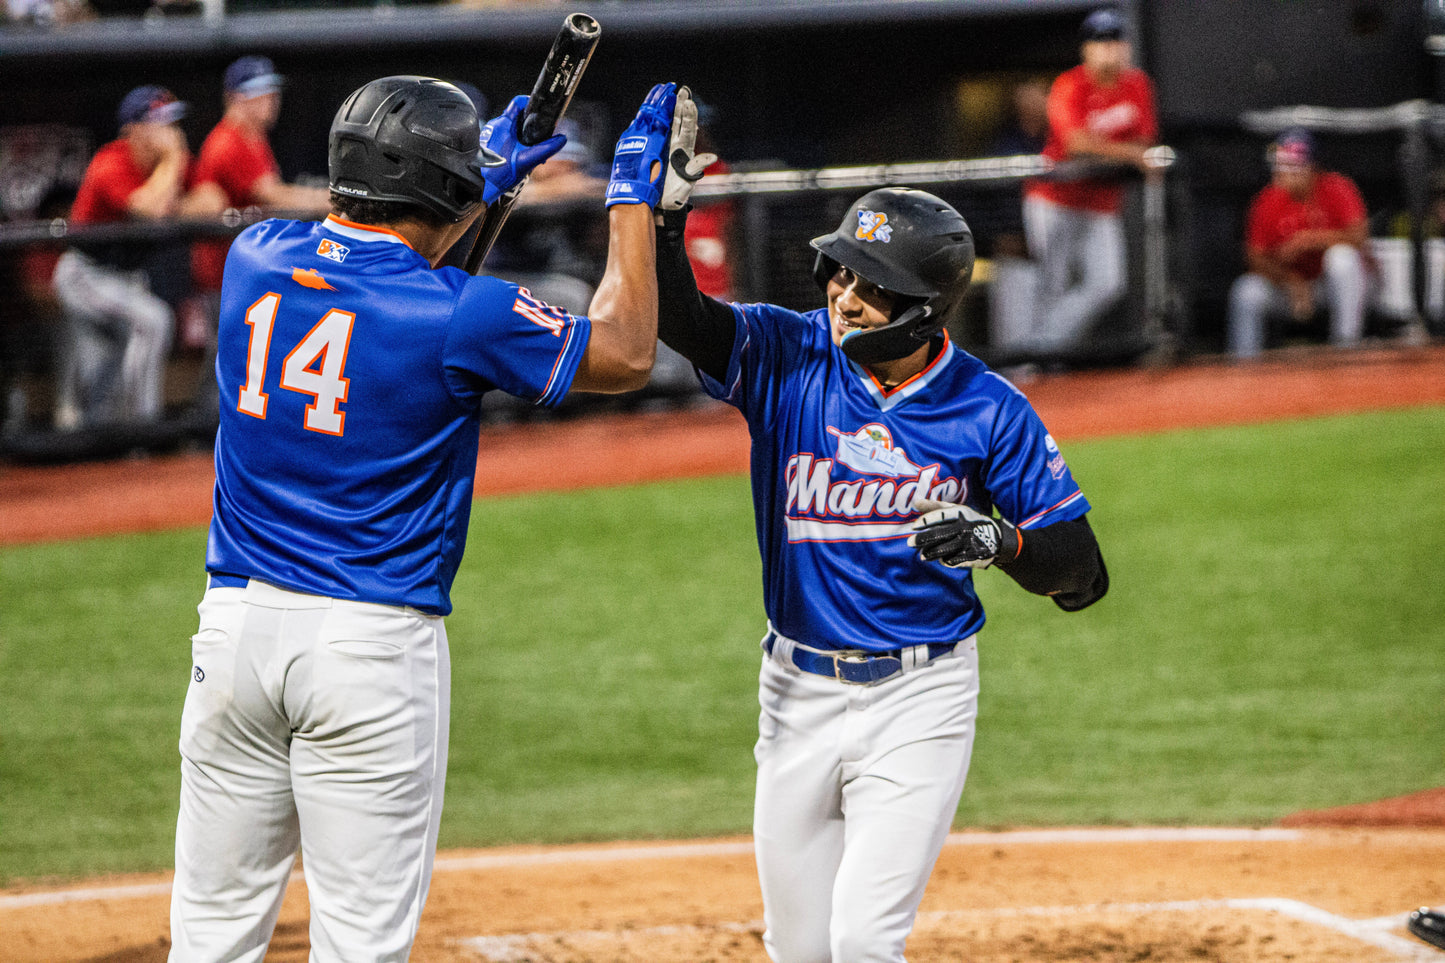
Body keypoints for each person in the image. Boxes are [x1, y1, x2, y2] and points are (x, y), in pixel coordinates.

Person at [167, 76, 678, 961]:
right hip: (368, 650)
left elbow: (389, 270)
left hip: (233, 638)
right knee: (362, 943)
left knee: (209, 936)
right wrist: (631, 202)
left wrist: (474, 187)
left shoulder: (258, 254)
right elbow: (627, 353)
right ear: (444, 193)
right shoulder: (459, 316)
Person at [652, 95, 1109, 962]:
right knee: (800, 948)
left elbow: (1081, 575)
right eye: (840, 273)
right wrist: (666, 222)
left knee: (863, 940)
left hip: (919, 698)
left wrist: (999, 542)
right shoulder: (787, 354)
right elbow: (686, 322)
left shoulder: (988, 409)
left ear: (927, 307)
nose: (844, 296)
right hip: (793, 694)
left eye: (871, 285)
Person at [51, 84, 207, 428]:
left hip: (124, 277)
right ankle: (142, 427)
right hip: (86, 274)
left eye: (172, 123)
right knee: (153, 321)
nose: (171, 133)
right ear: (133, 130)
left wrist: (174, 199)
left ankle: (108, 431)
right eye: (160, 123)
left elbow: (212, 199)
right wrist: (171, 162)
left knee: (114, 359)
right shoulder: (110, 160)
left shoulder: (168, 166)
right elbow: (149, 208)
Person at [1020, 6, 1161, 356]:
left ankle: (1039, 351)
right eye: (1099, 41)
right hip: (1054, 198)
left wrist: (1115, 150)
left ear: (1125, 46)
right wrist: (1128, 154)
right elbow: (1074, 143)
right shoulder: (1070, 85)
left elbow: (1146, 139)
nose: (1108, 48)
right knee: (1050, 283)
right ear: (1086, 49)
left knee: (1108, 284)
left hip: (1101, 203)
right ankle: (1033, 360)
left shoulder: (1137, 85)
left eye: (1114, 40)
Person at [1227, 128, 1371, 358]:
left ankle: (1347, 348)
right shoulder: (1268, 199)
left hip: (1329, 286)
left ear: (1311, 167)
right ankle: (1245, 368)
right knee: (1246, 291)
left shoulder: (1336, 187)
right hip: (1289, 290)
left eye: (1294, 165)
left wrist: (1310, 240)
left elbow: (1359, 239)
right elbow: (1254, 258)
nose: (1285, 172)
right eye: (1282, 165)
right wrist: (1291, 280)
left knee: (1343, 259)